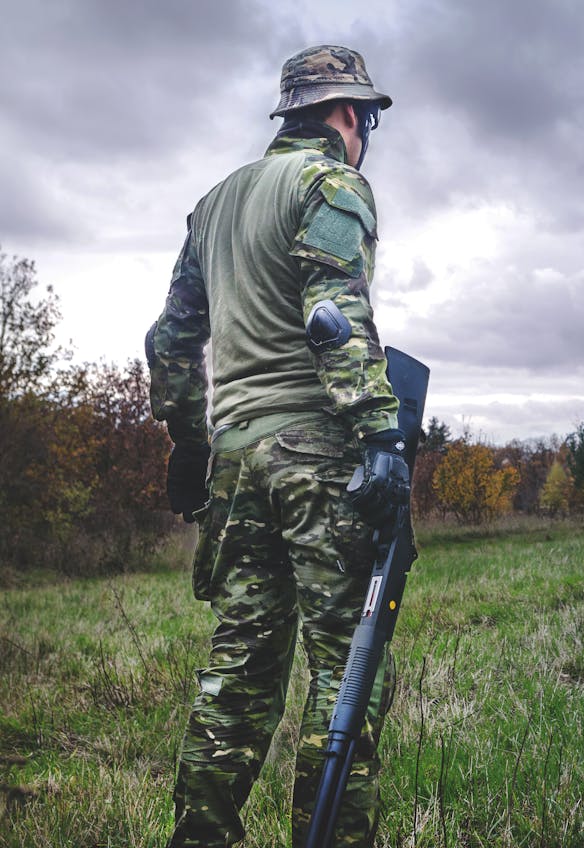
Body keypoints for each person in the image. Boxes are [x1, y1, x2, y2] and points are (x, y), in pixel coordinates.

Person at [146, 45, 409, 847]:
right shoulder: (332, 183)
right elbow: (334, 316)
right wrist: (380, 435)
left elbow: (169, 343)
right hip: (316, 457)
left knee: (239, 672)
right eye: (364, 119)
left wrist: (192, 447)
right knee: (347, 669)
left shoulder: (215, 204)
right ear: (348, 114)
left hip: (236, 458)